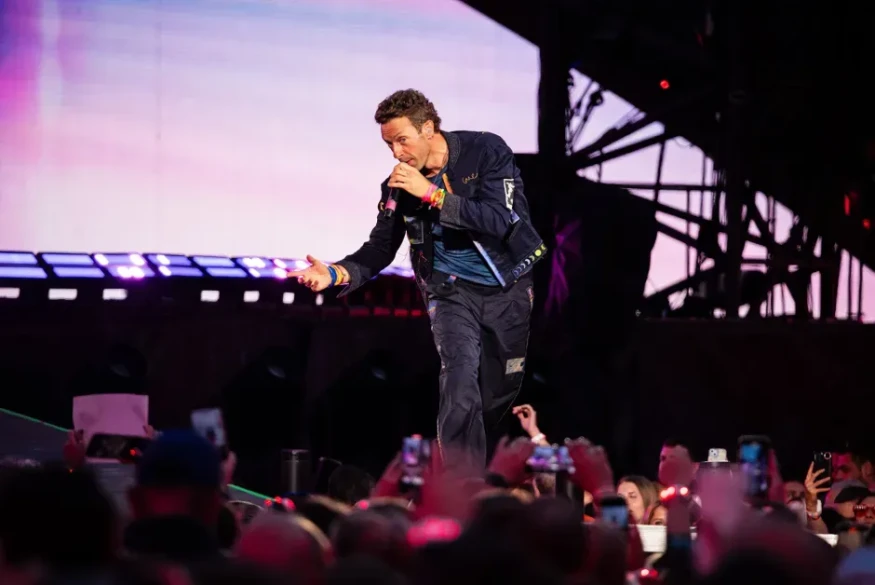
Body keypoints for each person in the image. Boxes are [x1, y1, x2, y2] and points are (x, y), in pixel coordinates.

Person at [289, 89, 546, 466]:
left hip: (507, 288)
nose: (396, 153)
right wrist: (336, 272)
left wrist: (432, 194)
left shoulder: (485, 151)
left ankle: (501, 467)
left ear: (427, 129)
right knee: (459, 378)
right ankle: (461, 481)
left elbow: (499, 220)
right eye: (389, 145)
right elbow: (380, 248)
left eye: (402, 140)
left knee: (496, 394)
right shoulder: (397, 187)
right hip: (449, 291)